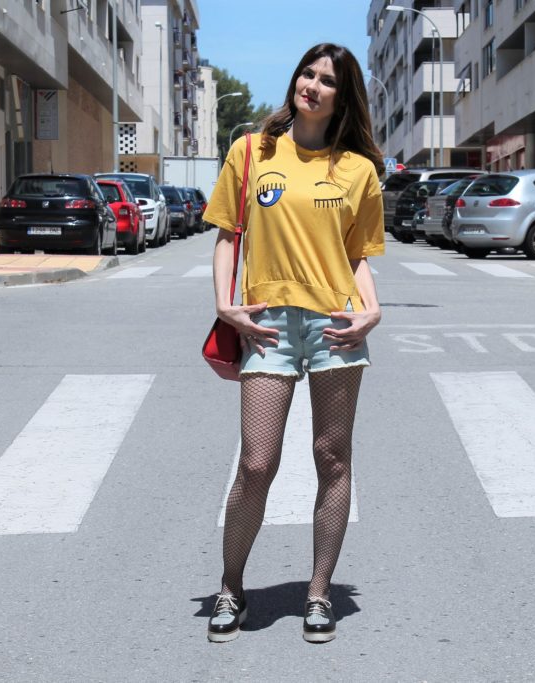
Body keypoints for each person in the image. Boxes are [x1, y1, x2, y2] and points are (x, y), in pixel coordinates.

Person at [201, 43, 385, 644]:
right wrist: (225, 306)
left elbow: (357, 256)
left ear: (342, 95)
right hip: (267, 323)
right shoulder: (252, 152)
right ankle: (231, 587)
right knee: (257, 463)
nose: (311, 84)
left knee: (333, 459)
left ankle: (317, 593)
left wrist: (372, 311)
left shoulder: (357, 169)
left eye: (326, 80)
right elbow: (228, 235)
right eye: (307, 72)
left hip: (336, 321)